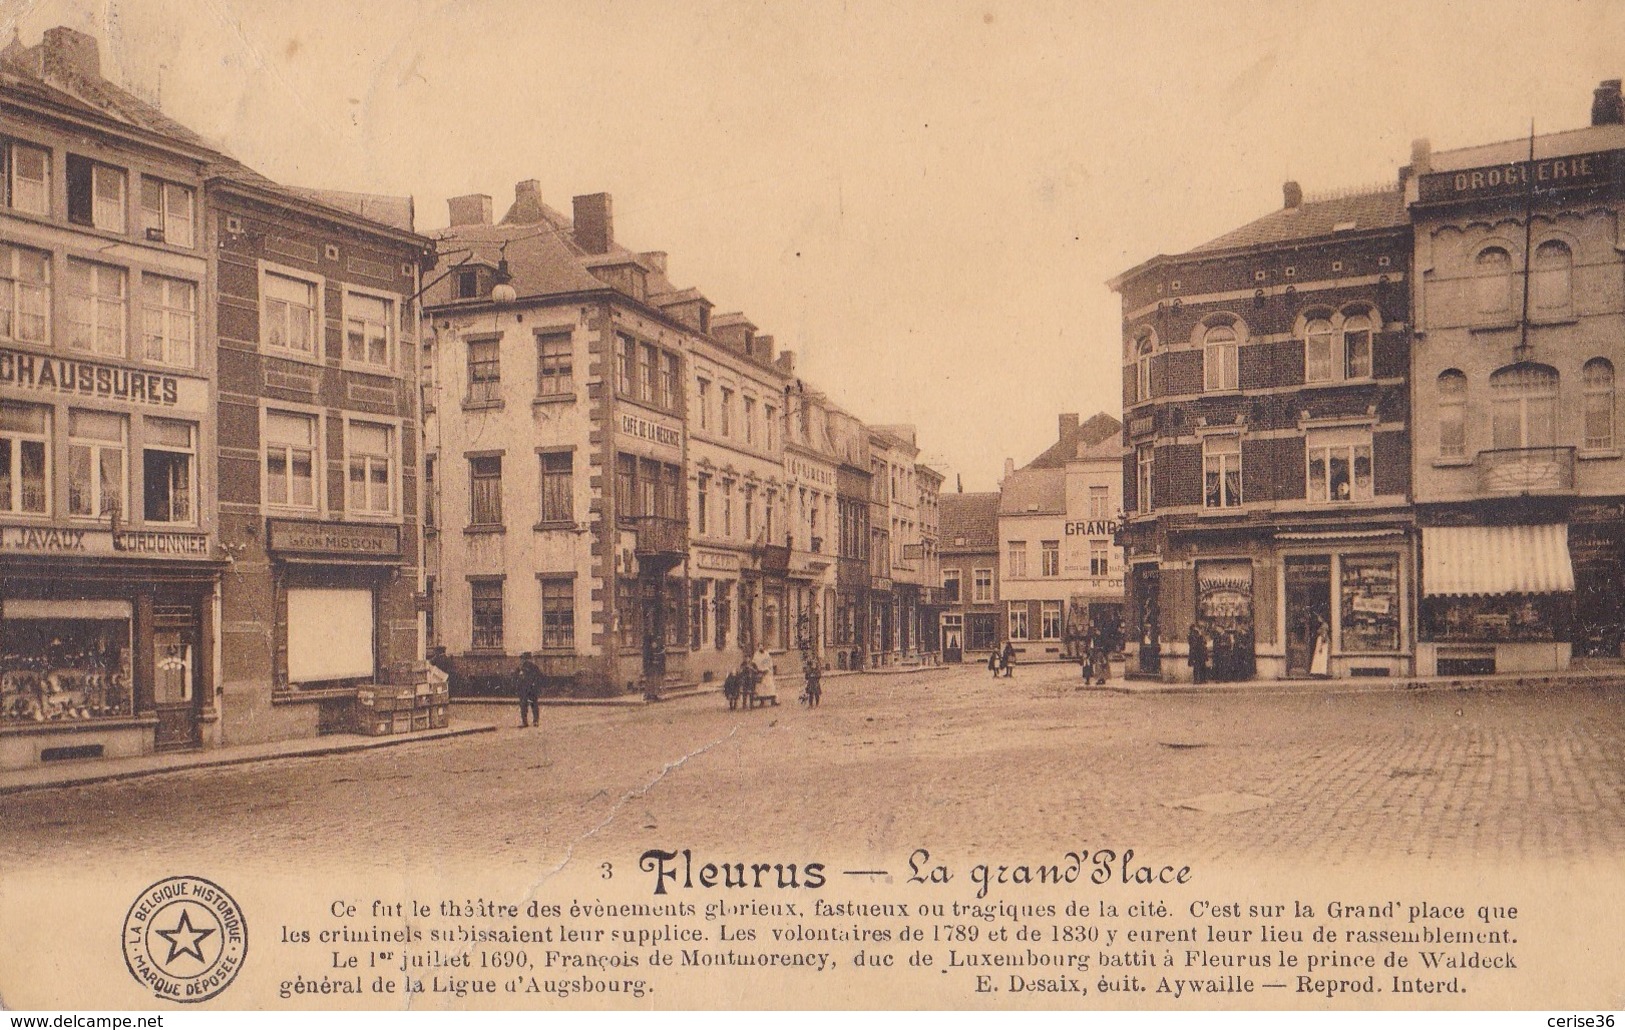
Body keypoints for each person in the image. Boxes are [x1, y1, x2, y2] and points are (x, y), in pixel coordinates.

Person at [515, 652, 543, 728]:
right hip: (524, 690)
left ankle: (535, 721)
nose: (523, 660)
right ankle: (525, 722)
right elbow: (516, 677)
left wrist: (535, 686)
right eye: (522, 659)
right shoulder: (520, 668)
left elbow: (539, 677)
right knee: (524, 706)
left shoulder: (533, 667)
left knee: (533, 705)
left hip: (531, 690)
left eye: (524, 659)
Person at [1187, 620, 1208, 685]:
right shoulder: (1193, 634)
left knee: (1202, 666)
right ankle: (1197, 680)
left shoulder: (1199, 634)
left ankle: (1202, 679)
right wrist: (1200, 636)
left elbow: (1204, 642)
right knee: (1197, 666)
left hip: (1200, 652)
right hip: (1196, 653)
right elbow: (1195, 644)